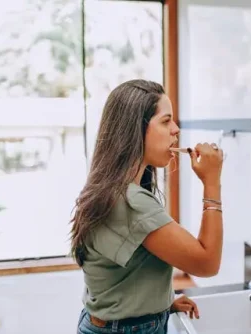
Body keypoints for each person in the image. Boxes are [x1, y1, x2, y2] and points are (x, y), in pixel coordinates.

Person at [70, 79, 224, 333]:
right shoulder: (132, 202)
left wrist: (163, 304)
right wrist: (212, 183)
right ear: (134, 130)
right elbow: (207, 264)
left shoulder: (111, 189)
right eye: (166, 121)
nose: (176, 130)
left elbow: (122, 278)